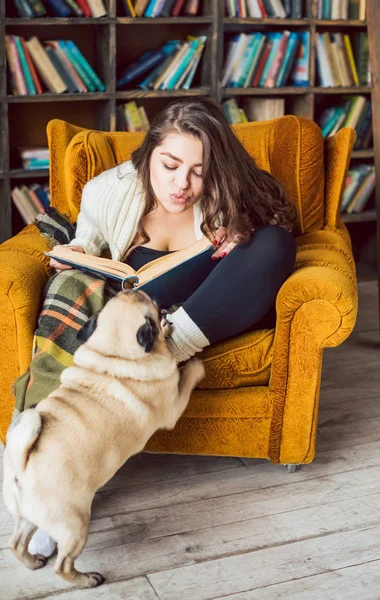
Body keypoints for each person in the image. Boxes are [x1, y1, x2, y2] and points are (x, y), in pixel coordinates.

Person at [16, 97, 297, 556]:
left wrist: (240, 229)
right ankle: (51, 476)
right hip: (140, 312)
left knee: (274, 244)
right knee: (75, 286)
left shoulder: (234, 188)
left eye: (198, 171)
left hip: (209, 310)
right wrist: (78, 254)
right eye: (169, 165)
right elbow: (87, 240)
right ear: (149, 155)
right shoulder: (109, 190)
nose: (181, 184)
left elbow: (281, 222)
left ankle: (170, 346)